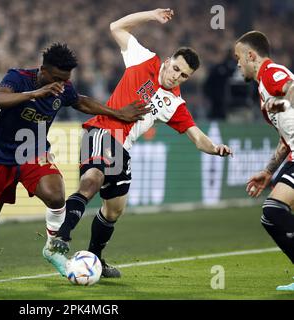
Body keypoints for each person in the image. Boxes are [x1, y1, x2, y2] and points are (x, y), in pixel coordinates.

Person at [49, 8, 233, 278]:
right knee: (93, 179)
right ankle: (61, 237)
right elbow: (116, 26)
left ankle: (95, 260)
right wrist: (151, 15)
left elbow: (197, 136)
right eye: (176, 69)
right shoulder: (144, 59)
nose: (176, 77)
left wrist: (215, 148)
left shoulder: (175, 104)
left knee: (114, 210)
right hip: (102, 130)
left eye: (183, 76)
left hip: (123, 148)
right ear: (168, 61)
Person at [0, 42, 149, 281]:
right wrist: (34, 94)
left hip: (33, 150)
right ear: (44, 70)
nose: (61, 84)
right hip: (0, 155)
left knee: (56, 194)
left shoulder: (62, 88)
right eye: (58, 78)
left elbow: (80, 101)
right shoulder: (19, 78)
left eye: (66, 79)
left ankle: (52, 248)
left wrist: (118, 112)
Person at [235, 31, 294, 291]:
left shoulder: (271, 73)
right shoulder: (263, 93)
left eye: (238, 58)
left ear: (251, 55)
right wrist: (269, 171)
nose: (237, 64)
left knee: (273, 211)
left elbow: (292, 89)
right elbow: (286, 138)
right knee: (271, 215)